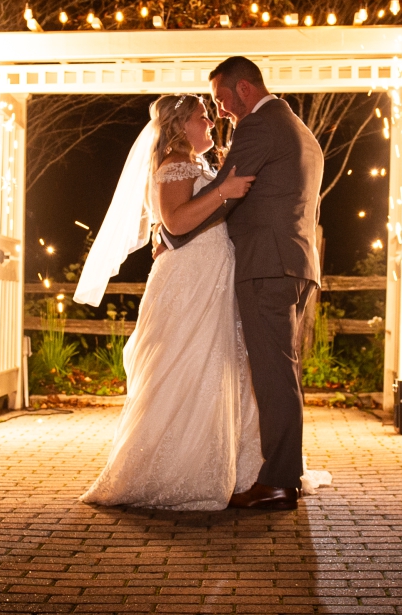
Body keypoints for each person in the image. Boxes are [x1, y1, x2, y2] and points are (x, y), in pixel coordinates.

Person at [77, 93, 263, 510]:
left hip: (210, 272)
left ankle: (224, 463)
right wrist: (225, 190)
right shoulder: (173, 165)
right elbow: (177, 219)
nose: (210, 125)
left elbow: (180, 222)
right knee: (185, 362)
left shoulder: (197, 165)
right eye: (203, 118)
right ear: (181, 125)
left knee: (217, 363)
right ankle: (174, 469)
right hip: (189, 279)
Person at [159, 56, 324, 511]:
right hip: (293, 261)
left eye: (221, 100)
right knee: (279, 371)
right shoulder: (298, 128)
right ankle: (282, 472)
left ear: (244, 89)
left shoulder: (258, 127)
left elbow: (232, 190)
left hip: (266, 264)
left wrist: (175, 234)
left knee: (273, 374)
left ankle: (278, 481)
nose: (220, 111)